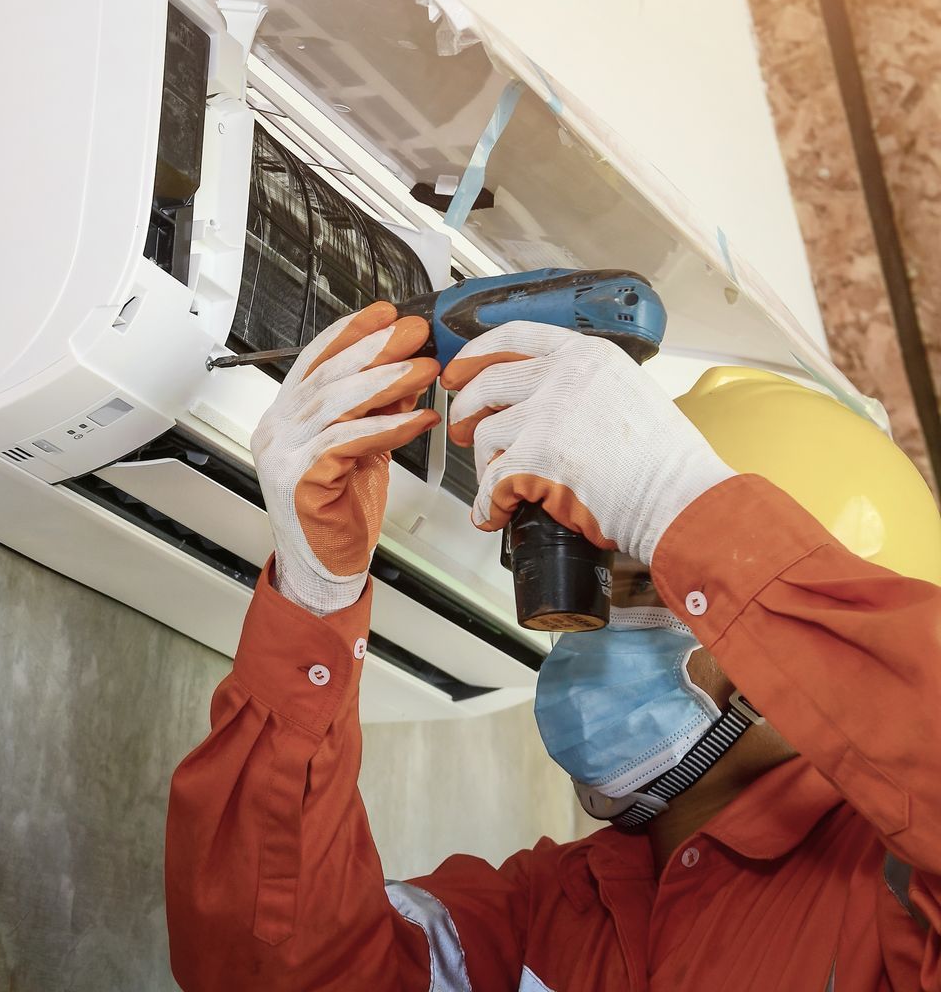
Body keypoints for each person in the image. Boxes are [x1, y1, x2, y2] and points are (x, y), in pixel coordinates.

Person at [165, 302, 941, 991]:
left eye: (649, 587)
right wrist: (313, 601)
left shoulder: (891, 899)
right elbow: (272, 971)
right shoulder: (541, 921)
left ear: (792, 662)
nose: (586, 634)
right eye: (598, 586)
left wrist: (684, 508)